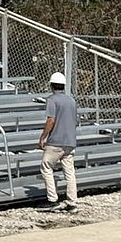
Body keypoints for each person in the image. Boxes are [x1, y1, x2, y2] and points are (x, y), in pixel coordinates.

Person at [38, 71, 78, 212]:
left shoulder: (52, 100)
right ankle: (72, 202)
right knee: (69, 172)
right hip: (70, 141)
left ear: (52, 86)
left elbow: (51, 120)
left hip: (56, 141)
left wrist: (43, 136)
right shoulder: (72, 100)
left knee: (46, 167)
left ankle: (52, 199)